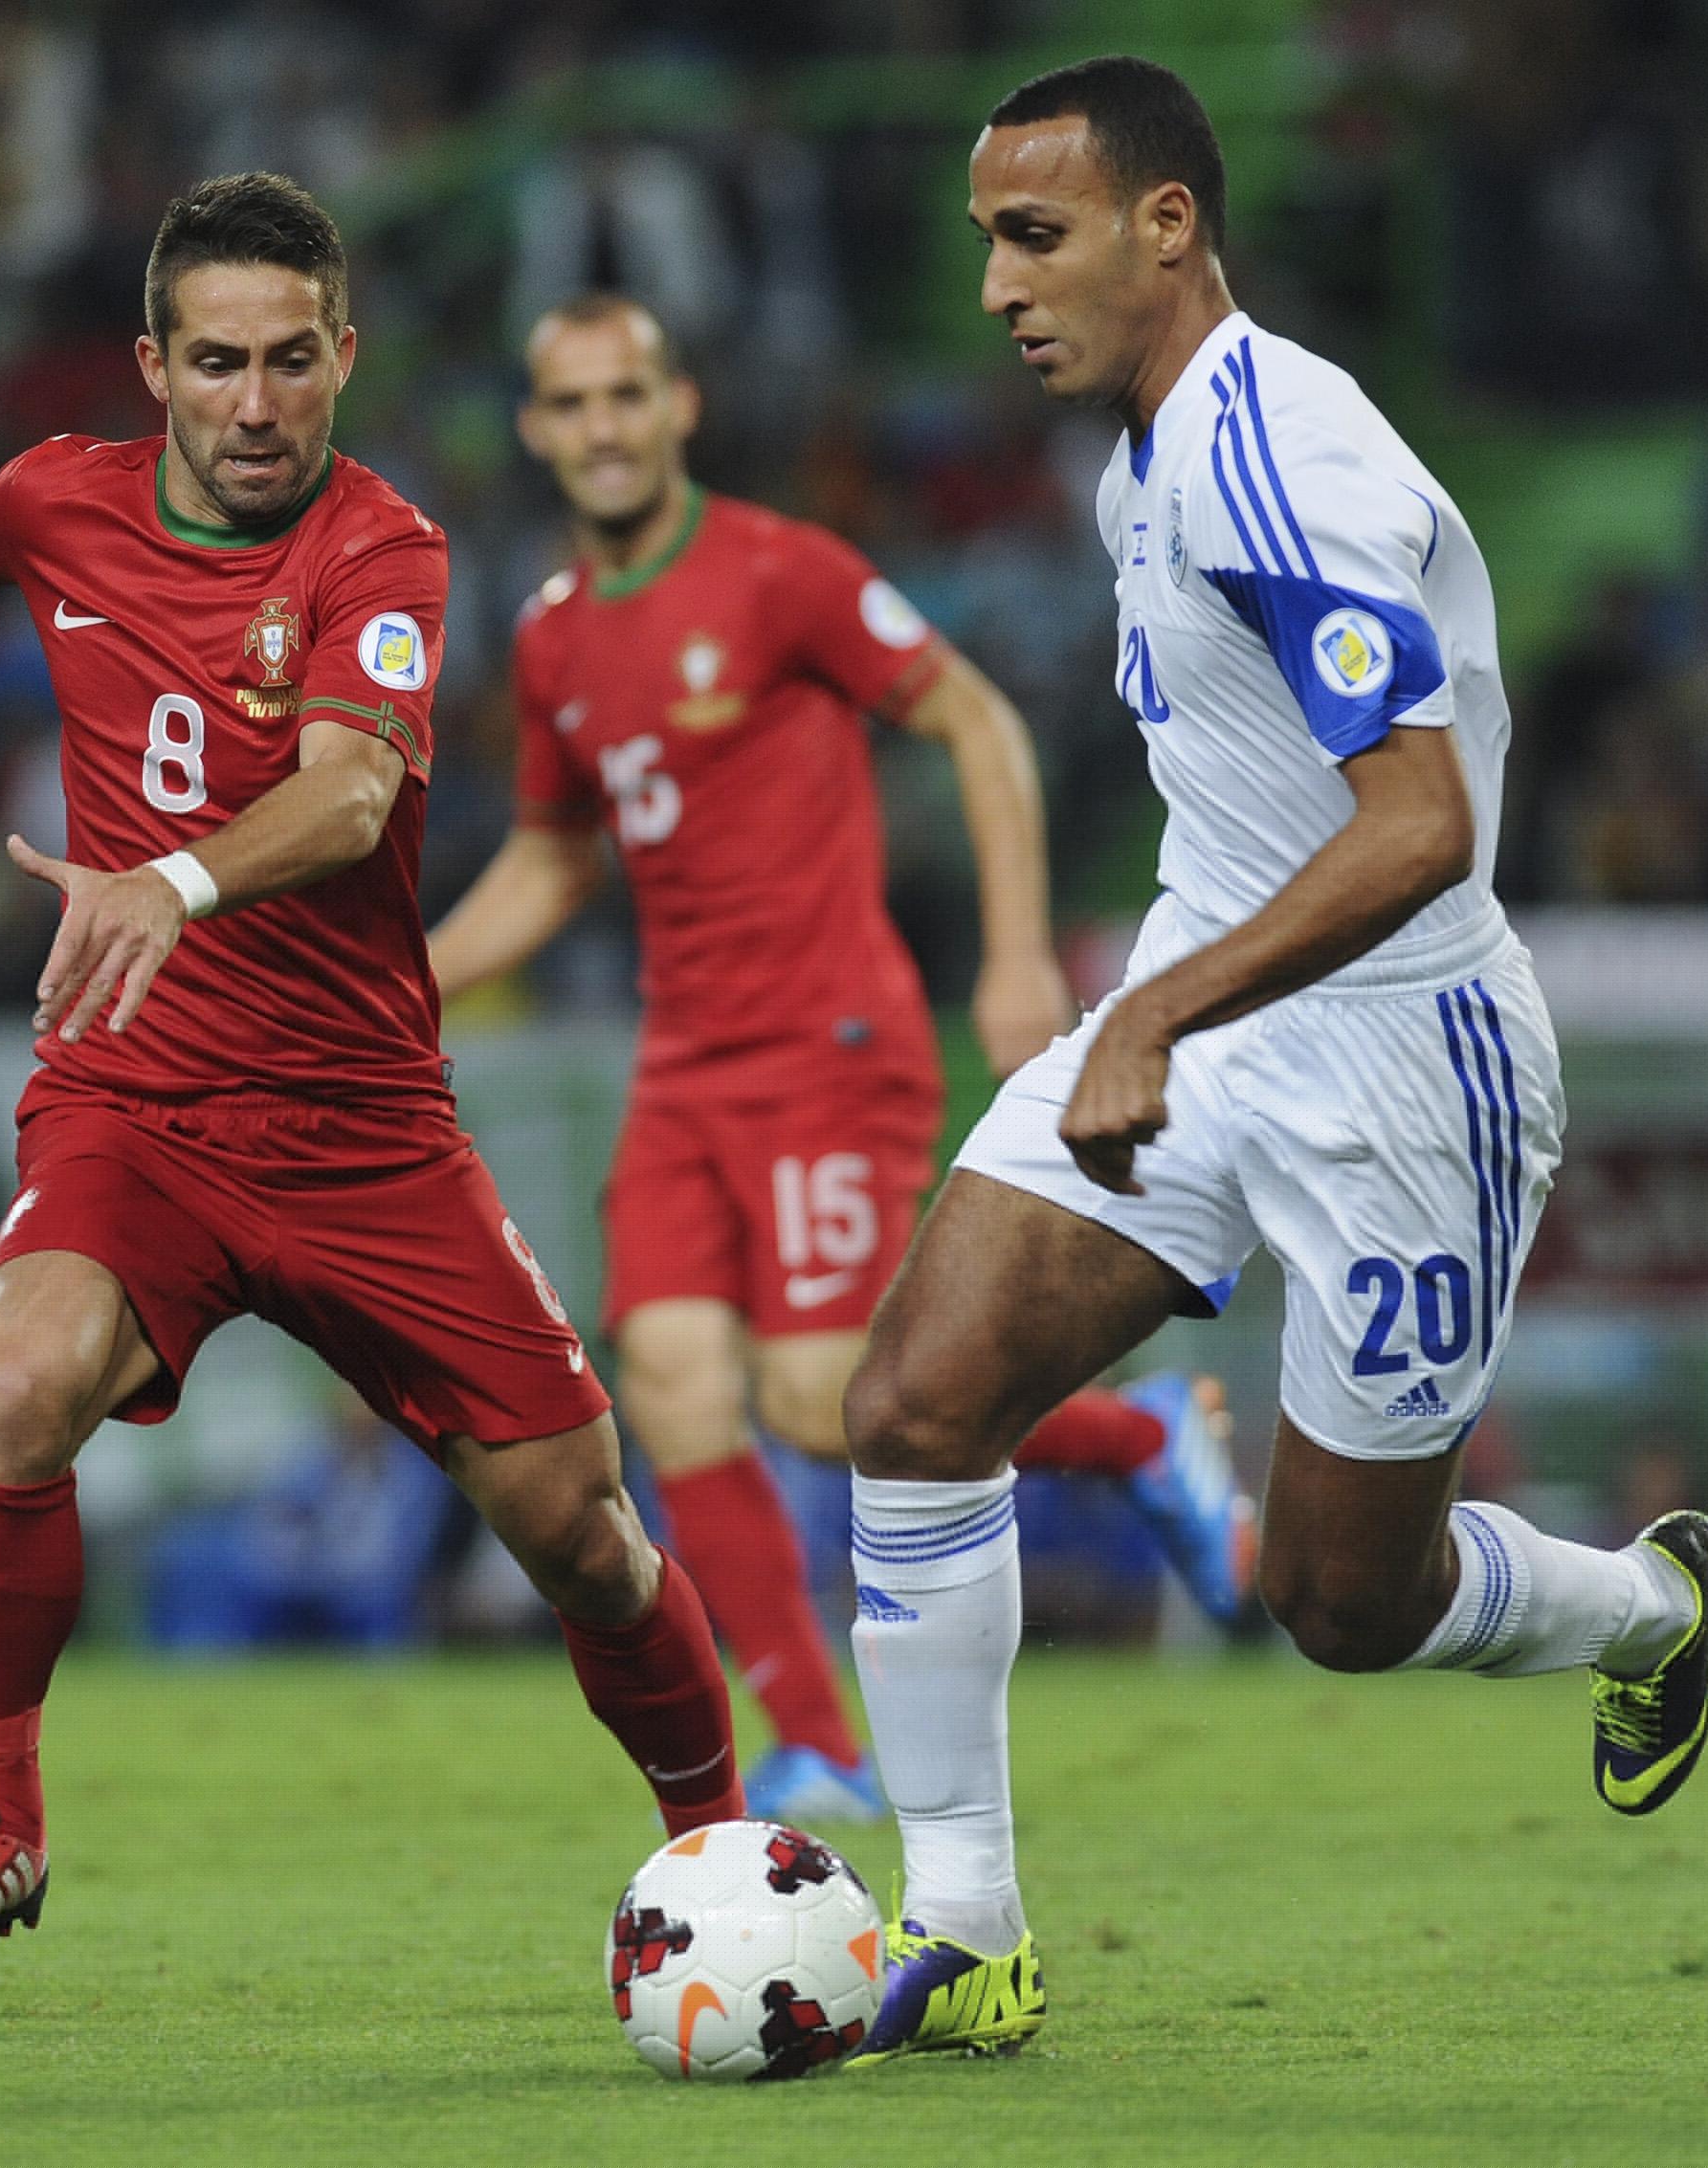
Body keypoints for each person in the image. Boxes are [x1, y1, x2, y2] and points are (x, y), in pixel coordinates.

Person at [0, 173, 747, 1976]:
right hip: (136, 1109)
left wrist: (166, 880)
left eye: (289, 363)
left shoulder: (383, 551)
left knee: (577, 1531)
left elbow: (348, 796)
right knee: (14, 1383)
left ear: (345, 358)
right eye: (218, 365)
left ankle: (723, 1847)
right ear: (155, 369)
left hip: (362, 1128)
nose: (256, 406)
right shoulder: (64, 501)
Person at [833, 58, 1708, 2064]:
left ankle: (1650, 1612)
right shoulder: (1137, 458)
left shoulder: (1279, 460)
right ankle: (963, 1930)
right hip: (1210, 1005)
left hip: (1408, 1063)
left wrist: (1150, 1009)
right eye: (986, 237)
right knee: (910, 1400)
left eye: (1033, 234)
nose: (994, 283)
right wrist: (1160, 1000)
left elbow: (1423, 823)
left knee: (1332, 1594)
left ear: (1167, 225)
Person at [430, 293, 1258, 1825]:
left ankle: (1141, 1435)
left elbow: (980, 720)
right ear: (539, 431)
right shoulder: (551, 633)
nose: (605, 425)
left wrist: (1014, 953)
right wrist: (403, 986)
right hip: (685, 1064)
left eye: (630, 394)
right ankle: (816, 1741)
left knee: (824, 1398)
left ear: (679, 408)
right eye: (573, 402)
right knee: (666, 1391)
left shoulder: (778, 571)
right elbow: (553, 861)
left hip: (830, 1045)